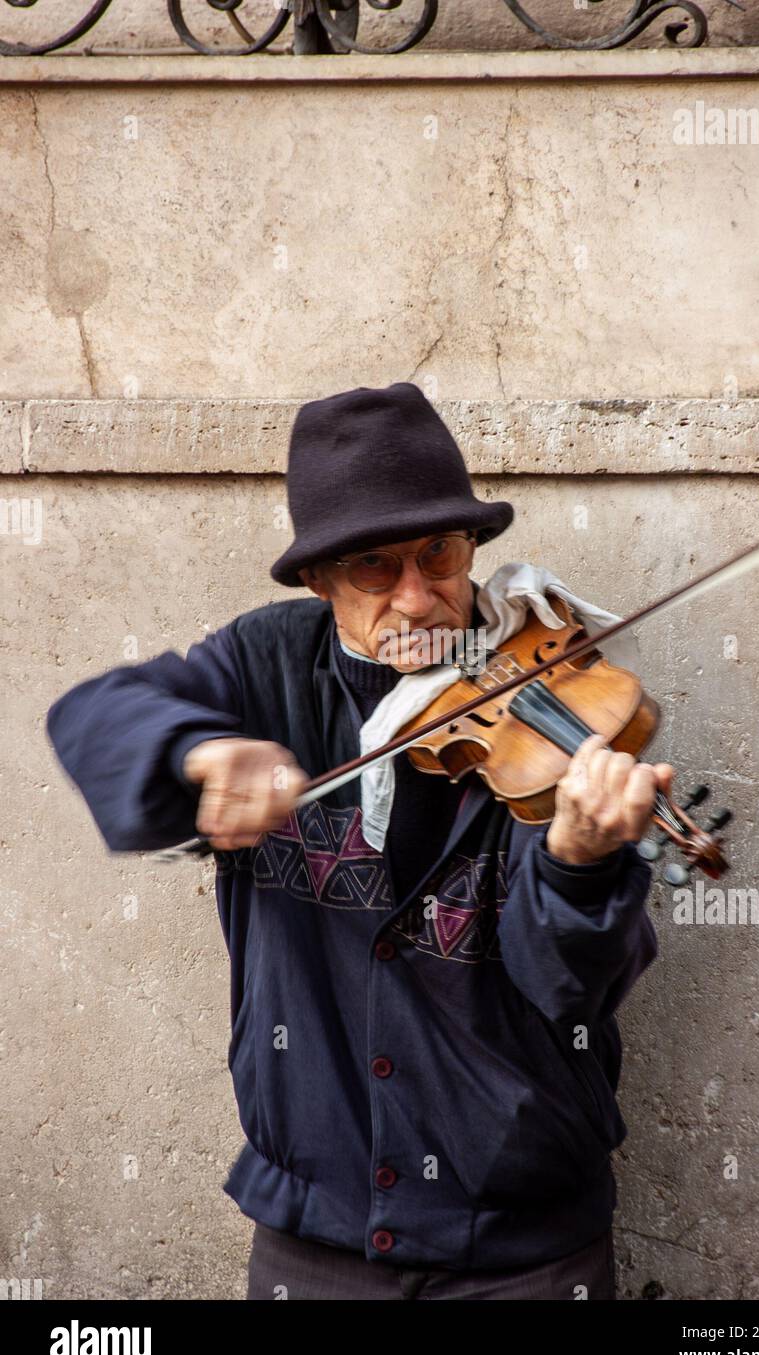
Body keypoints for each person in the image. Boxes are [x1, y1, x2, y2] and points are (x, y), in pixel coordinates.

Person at [45, 381, 672, 1301]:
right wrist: (200, 751)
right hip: (317, 1233)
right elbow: (95, 714)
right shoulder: (266, 668)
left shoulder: (555, 709)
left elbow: (572, 988)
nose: (419, 600)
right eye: (375, 568)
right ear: (319, 579)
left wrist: (581, 865)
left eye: (440, 554)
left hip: (523, 1248)